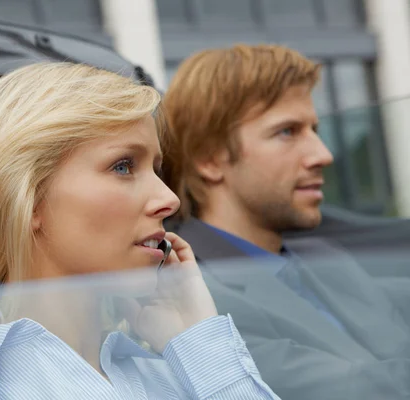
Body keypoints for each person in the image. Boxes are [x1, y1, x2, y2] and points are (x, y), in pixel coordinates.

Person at [0, 62, 280, 399]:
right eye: (123, 166)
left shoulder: (190, 376)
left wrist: (196, 338)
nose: (169, 199)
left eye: (157, 169)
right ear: (26, 197)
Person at [162, 44, 410, 399]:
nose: (322, 155)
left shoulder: (322, 257)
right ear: (209, 159)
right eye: (287, 132)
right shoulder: (193, 297)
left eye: (314, 129)